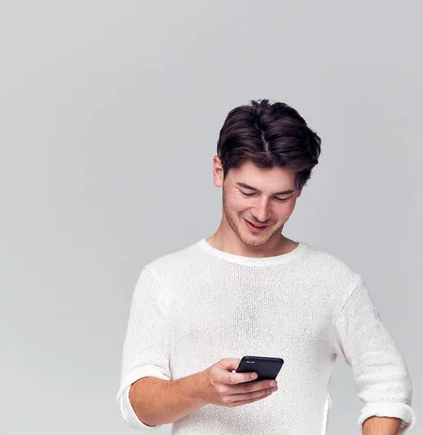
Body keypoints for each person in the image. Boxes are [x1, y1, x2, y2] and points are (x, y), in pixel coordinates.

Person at [116, 98, 415, 434]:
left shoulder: (333, 281)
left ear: (299, 190)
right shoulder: (165, 279)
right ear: (219, 172)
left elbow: (387, 385)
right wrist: (201, 388)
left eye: (280, 197)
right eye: (247, 191)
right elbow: (137, 405)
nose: (261, 212)